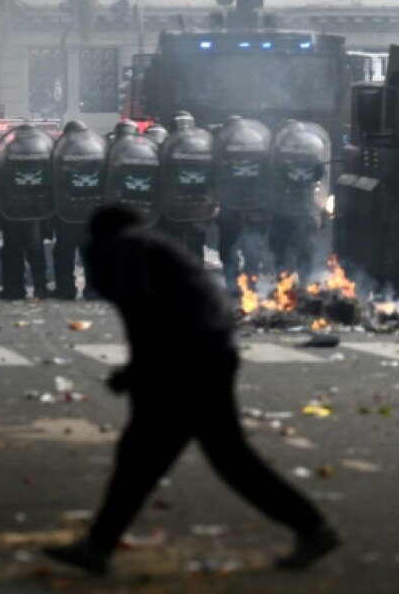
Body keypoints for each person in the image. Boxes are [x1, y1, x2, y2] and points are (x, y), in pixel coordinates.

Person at [45, 204, 339, 576]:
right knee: (171, 457)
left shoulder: (124, 248)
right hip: (205, 352)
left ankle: (313, 527)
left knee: (163, 457)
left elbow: (143, 313)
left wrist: (139, 371)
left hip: (190, 359)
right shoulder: (150, 244)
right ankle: (99, 545)